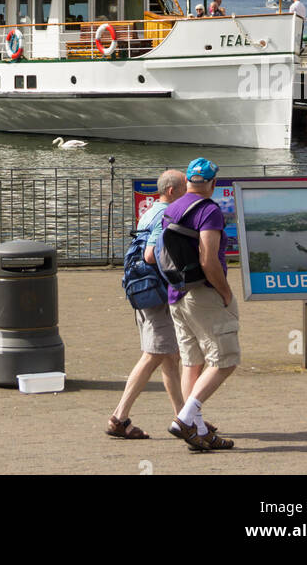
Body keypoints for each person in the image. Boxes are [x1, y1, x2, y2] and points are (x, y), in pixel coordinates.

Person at [161, 157, 238, 452]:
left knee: (192, 363)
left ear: (189, 182)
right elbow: (209, 258)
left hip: (176, 294)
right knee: (225, 359)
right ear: (213, 184)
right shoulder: (209, 211)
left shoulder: (173, 208)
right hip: (204, 294)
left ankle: (198, 430)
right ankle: (184, 419)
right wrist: (225, 292)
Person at [107, 169, 188, 440]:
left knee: (169, 356)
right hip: (157, 294)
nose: (188, 192)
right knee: (153, 354)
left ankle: (184, 417)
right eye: (185, 188)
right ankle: (119, 417)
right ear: (171, 191)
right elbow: (152, 255)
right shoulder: (166, 216)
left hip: (141, 290)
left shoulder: (149, 211)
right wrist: (177, 278)